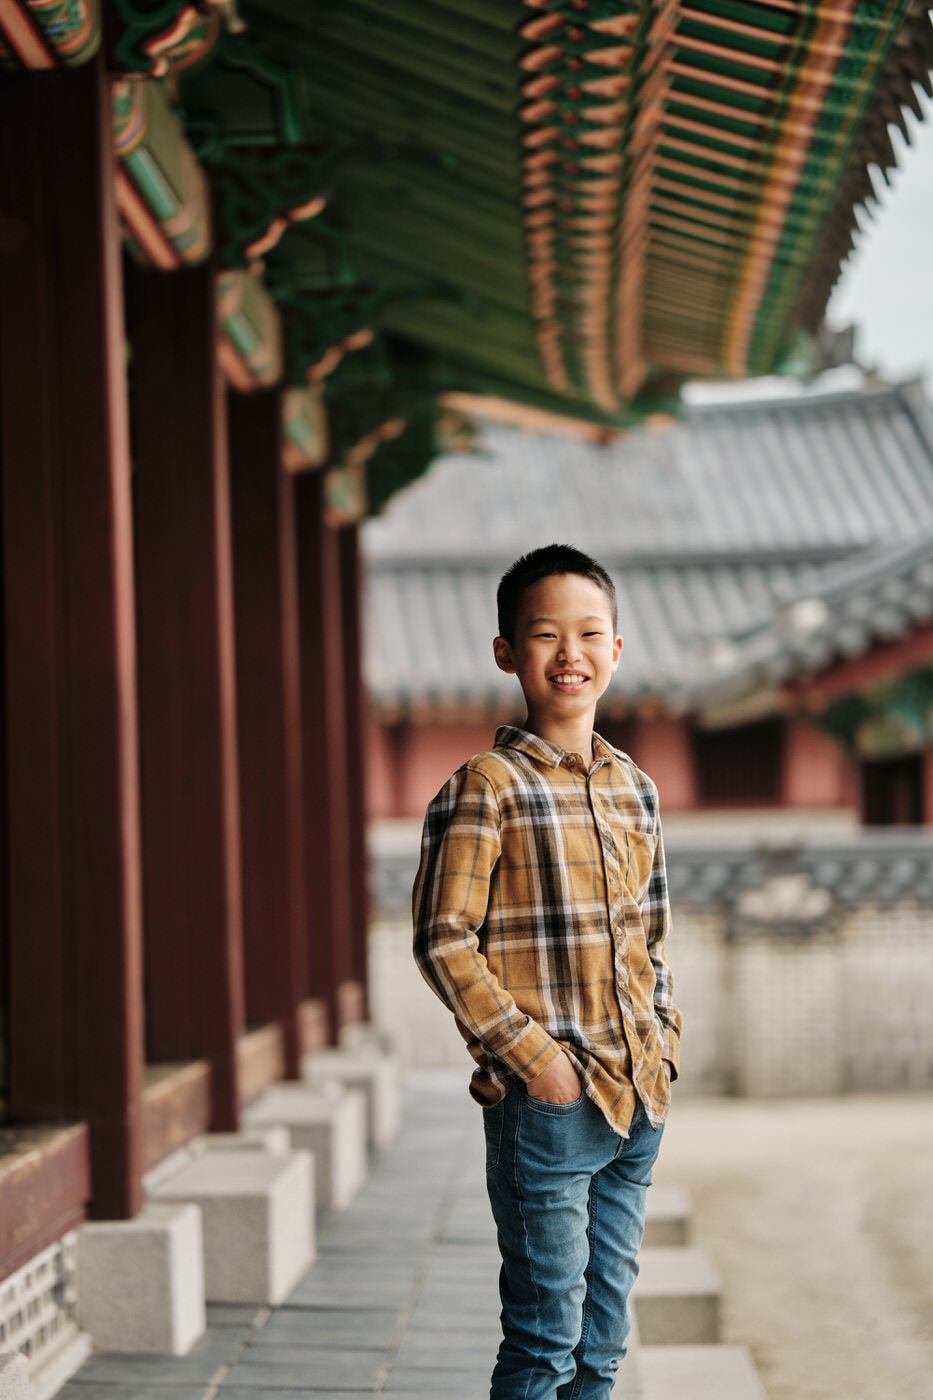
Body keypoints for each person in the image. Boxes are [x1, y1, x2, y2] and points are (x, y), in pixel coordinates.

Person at [412, 542, 682, 1400]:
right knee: (544, 1344)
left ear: (615, 650)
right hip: (550, 1108)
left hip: (638, 1098)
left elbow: (653, 940)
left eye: (588, 633)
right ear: (506, 653)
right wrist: (536, 1062)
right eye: (543, 635)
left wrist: (664, 1041)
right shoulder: (483, 787)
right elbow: (442, 939)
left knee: (603, 1346)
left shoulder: (635, 788)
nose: (569, 653)